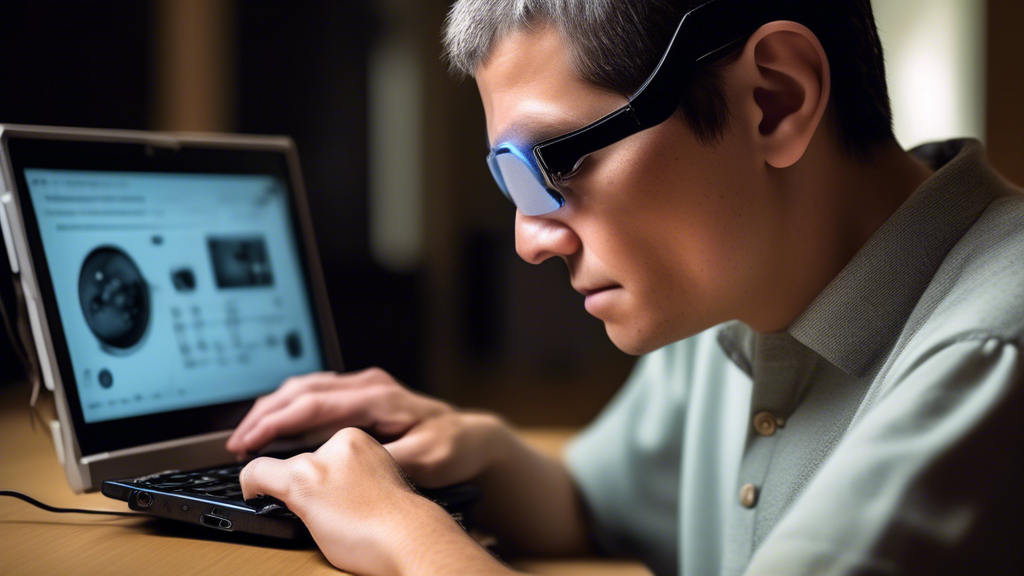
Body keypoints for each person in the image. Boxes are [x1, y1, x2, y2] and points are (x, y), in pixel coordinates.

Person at [231, 1, 1023, 574]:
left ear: (773, 101)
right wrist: (481, 455)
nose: (528, 240)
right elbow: (597, 506)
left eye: (558, 164)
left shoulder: (993, 347)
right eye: (509, 177)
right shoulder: (734, 287)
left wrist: (408, 542)